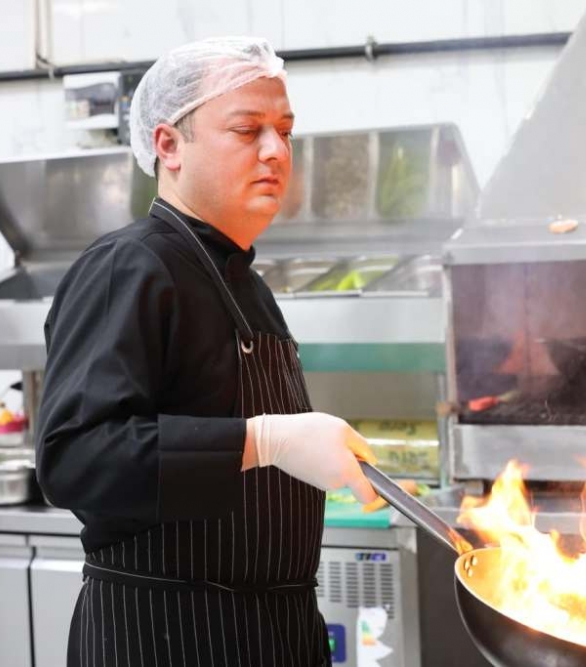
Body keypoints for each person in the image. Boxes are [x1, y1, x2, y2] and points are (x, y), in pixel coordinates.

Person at [35, 36, 378, 667]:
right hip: (167, 637)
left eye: (285, 130)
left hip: (272, 633)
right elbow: (75, 456)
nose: (276, 151)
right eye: (247, 130)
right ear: (168, 145)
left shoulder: (245, 284)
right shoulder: (129, 267)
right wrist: (264, 442)